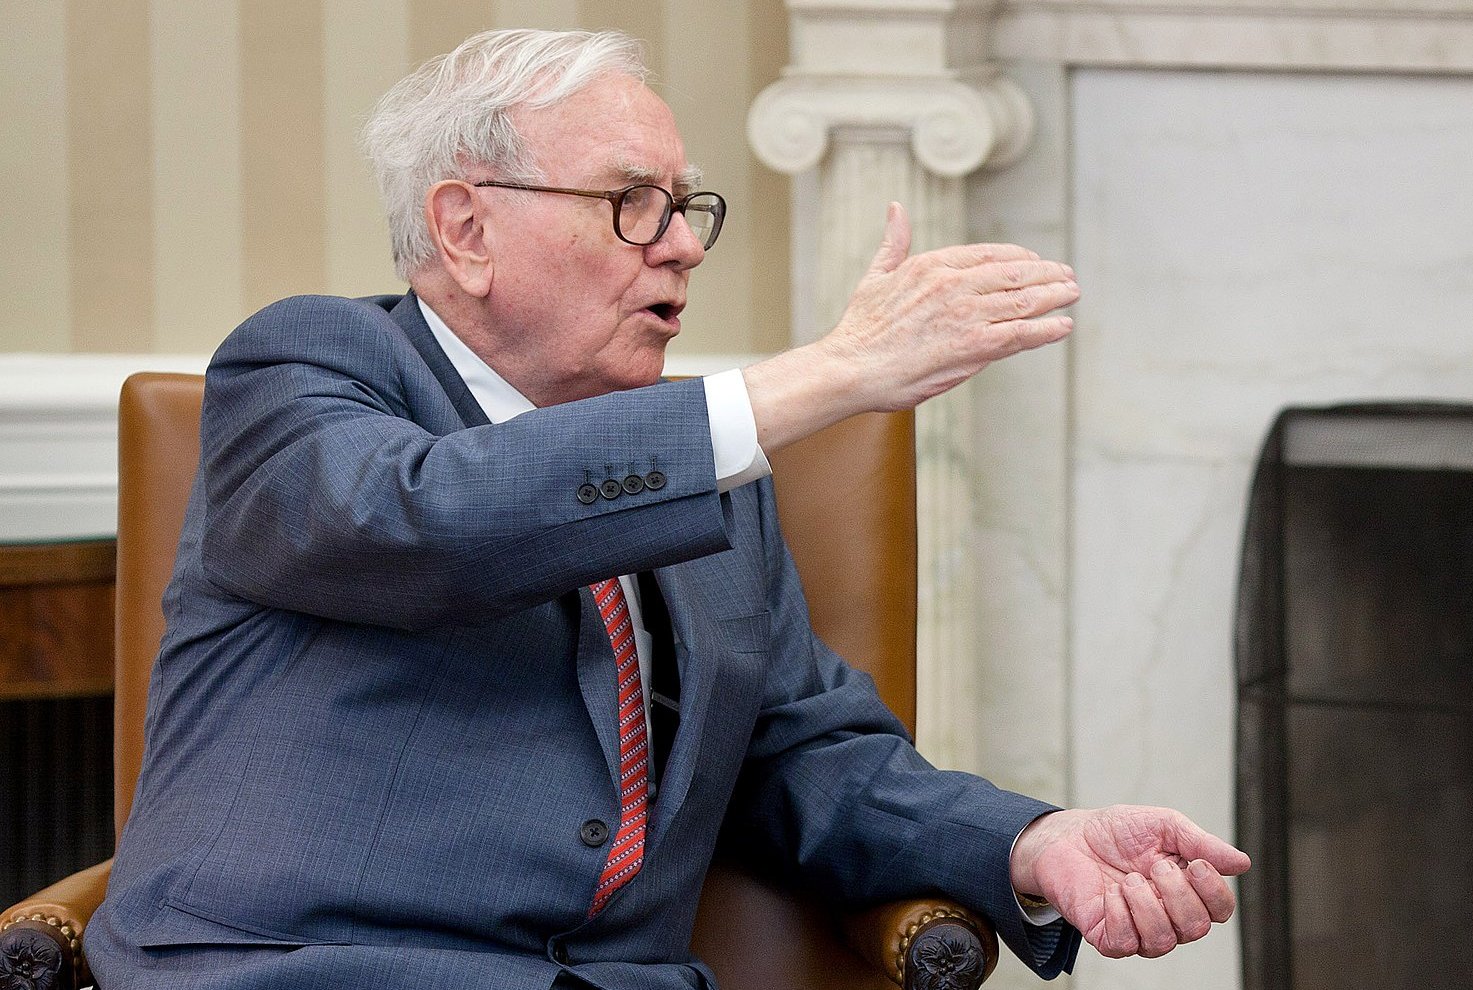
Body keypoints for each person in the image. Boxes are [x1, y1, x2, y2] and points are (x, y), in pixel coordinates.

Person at [85, 28, 1249, 989]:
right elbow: (424, 522)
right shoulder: (307, 369)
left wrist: (1033, 842)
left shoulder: (712, 479)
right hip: (300, 972)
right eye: (632, 202)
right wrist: (832, 375)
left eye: (687, 203)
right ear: (465, 228)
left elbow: (805, 755)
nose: (685, 245)